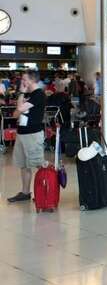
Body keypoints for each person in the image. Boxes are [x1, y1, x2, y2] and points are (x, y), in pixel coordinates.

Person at [7, 70, 46, 203]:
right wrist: (21, 102)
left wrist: (21, 94)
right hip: (22, 133)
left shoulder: (38, 94)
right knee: (24, 165)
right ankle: (25, 192)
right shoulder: (29, 95)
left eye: (24, 79)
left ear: (32, 80)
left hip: (33, 134)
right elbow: (15, 115)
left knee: (38, 163)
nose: (22, 82)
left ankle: (45, 192)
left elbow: (20, 109)